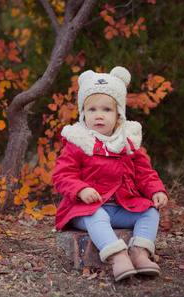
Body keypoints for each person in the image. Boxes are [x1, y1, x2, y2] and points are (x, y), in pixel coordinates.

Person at [52, 67, 168, 282]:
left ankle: (139, 253)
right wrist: (81, 189)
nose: (99, 115)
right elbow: (62, 175)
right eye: (92, 109)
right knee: (96, 215)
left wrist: (156, 190)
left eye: (107, 110)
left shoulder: (127, 143)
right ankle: (117, 256)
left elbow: (144, 173)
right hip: (85, 209)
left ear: (119, 114)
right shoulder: (78, 143)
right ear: (83, 113)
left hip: (123, 206)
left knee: (150, 211)